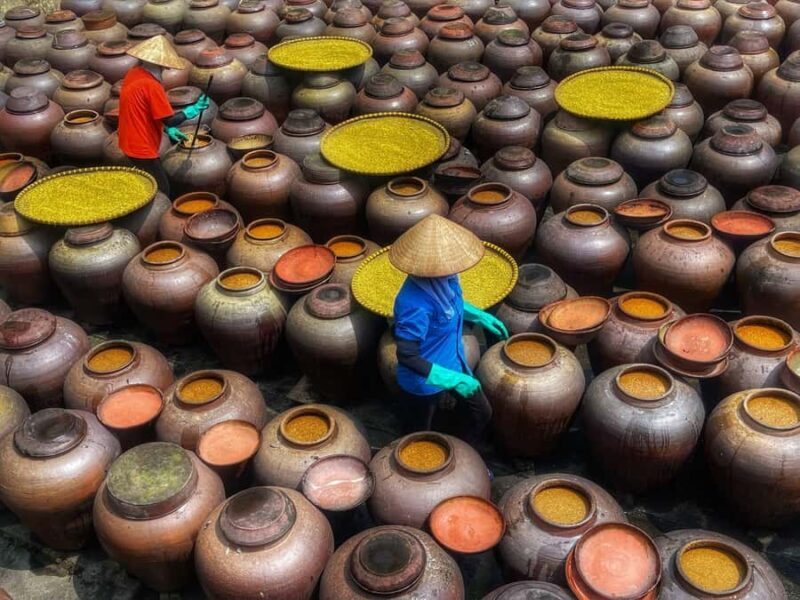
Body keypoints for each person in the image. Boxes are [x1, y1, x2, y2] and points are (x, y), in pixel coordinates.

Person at [390, 214, 509, 445]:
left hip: (453, 361)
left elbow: (452, 302)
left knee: (481, 413)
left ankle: (462, 452)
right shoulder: (414, 304)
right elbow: (406, 355)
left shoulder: (447, 279)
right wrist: (450, 380)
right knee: (419, 435)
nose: (452, 268)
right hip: (424, 381)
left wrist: (479, 315)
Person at [118, 35, 209, 196]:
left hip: (127, 140)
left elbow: (147, 111)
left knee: (147, 182)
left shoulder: (133, 74)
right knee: (162, 190)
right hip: (141, 147)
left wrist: (167, 130)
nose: (165, 70)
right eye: (163, 67)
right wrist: (192, 111)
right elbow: (170, 119)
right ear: (157, 65)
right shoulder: (152, 86)